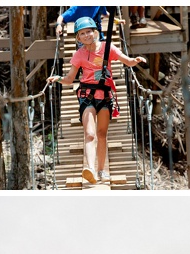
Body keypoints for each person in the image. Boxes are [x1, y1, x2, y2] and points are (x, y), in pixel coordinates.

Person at [47, 17, 147, 184]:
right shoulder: (78, 55)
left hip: (105, 97)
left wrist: (135, 61)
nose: (87, 35)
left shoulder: (108, 48)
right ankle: (90, 168)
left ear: (95, 32)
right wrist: (58, 78)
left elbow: (126, 61)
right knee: (90, 134)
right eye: (82, 33)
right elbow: (70, 79)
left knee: (102, 134)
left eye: (89, 31)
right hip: (87, 96)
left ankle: (101, 170)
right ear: (78, 38)